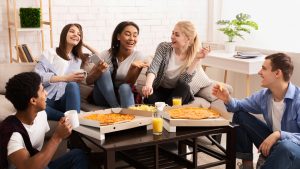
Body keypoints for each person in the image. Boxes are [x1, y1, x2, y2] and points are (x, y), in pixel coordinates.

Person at [212, 53, 300, 169]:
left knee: (286, 146)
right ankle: (247, 166)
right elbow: (238, 106)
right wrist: (227, 99)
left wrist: (279, 134)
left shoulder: (298, 100)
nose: (259, 72)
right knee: (240, 115)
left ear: (277, 73)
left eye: (263, 68)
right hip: (274, 145)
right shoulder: (264, 96)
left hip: (293, 151)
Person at [0, 72, 88, 169]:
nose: (46, 93)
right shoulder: (11, 132)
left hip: (41, 165)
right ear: (33, 101)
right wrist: (56, 137)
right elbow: (27, 167)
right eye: (42, 90)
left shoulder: (41, 114)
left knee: (78, 155)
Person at [142, 21, 211, 106]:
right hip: (161, 89)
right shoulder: (164, 48)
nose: (172, 37)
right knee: (149, 99)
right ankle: (169, 108)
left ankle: (167, 111)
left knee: (184, 86)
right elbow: (154, 67)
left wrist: (196, 59)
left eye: (176, 35)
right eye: (172, 33)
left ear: (187, 39)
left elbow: (184, 81)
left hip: (178, 92)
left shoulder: (194, 55)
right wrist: (148, 85)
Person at [84, 21, 148, 108]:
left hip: (123, 95)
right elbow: (88, 81)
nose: (132, 38)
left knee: (125, 87)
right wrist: (98, 70)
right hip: (103, 97)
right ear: (118, 36)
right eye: (128, 34)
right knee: (104, 71)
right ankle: (116, 107)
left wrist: (132, 68)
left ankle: (125, 112)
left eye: (135, 35)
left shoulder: (139, 56)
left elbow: (129, 84)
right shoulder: (106, 54)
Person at [34, 23, 87, 121]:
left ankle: (72, 119)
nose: (76, 35)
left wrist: (84, 43)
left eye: (79, 34)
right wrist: (65, 78)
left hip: (64, 100)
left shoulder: (77, 59)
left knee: (73, 85)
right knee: (35, 109)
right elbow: (37, 77)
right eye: (72, 31)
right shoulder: (50, 52)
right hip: (47, 99)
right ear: (64, 34)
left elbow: (100, 57)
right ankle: (70, 119)